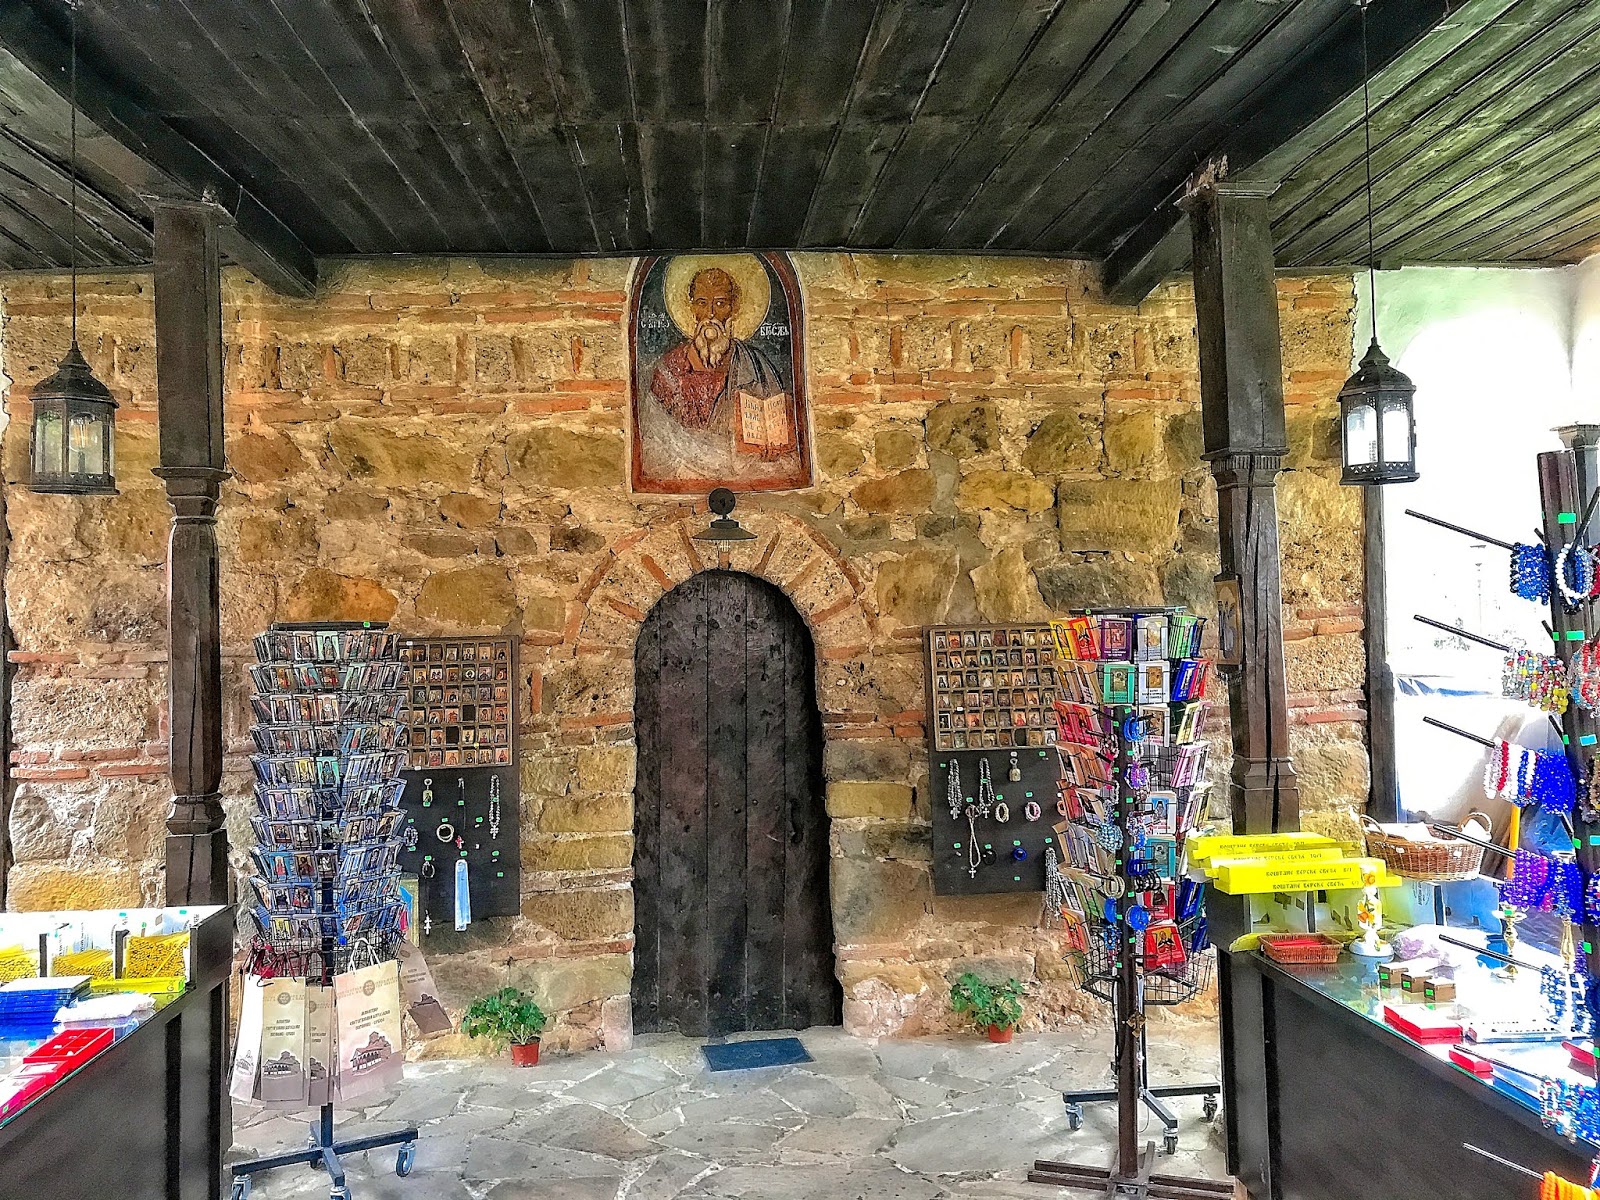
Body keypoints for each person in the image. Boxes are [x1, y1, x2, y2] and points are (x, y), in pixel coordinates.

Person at [648, 266, 787, 433]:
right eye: (702, 303)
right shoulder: (670, 367)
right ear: (692, 308)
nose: (710, 313)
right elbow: (657, 431)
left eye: (720, 303)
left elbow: (776, 426)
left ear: (733, 309)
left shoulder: (755, 365)